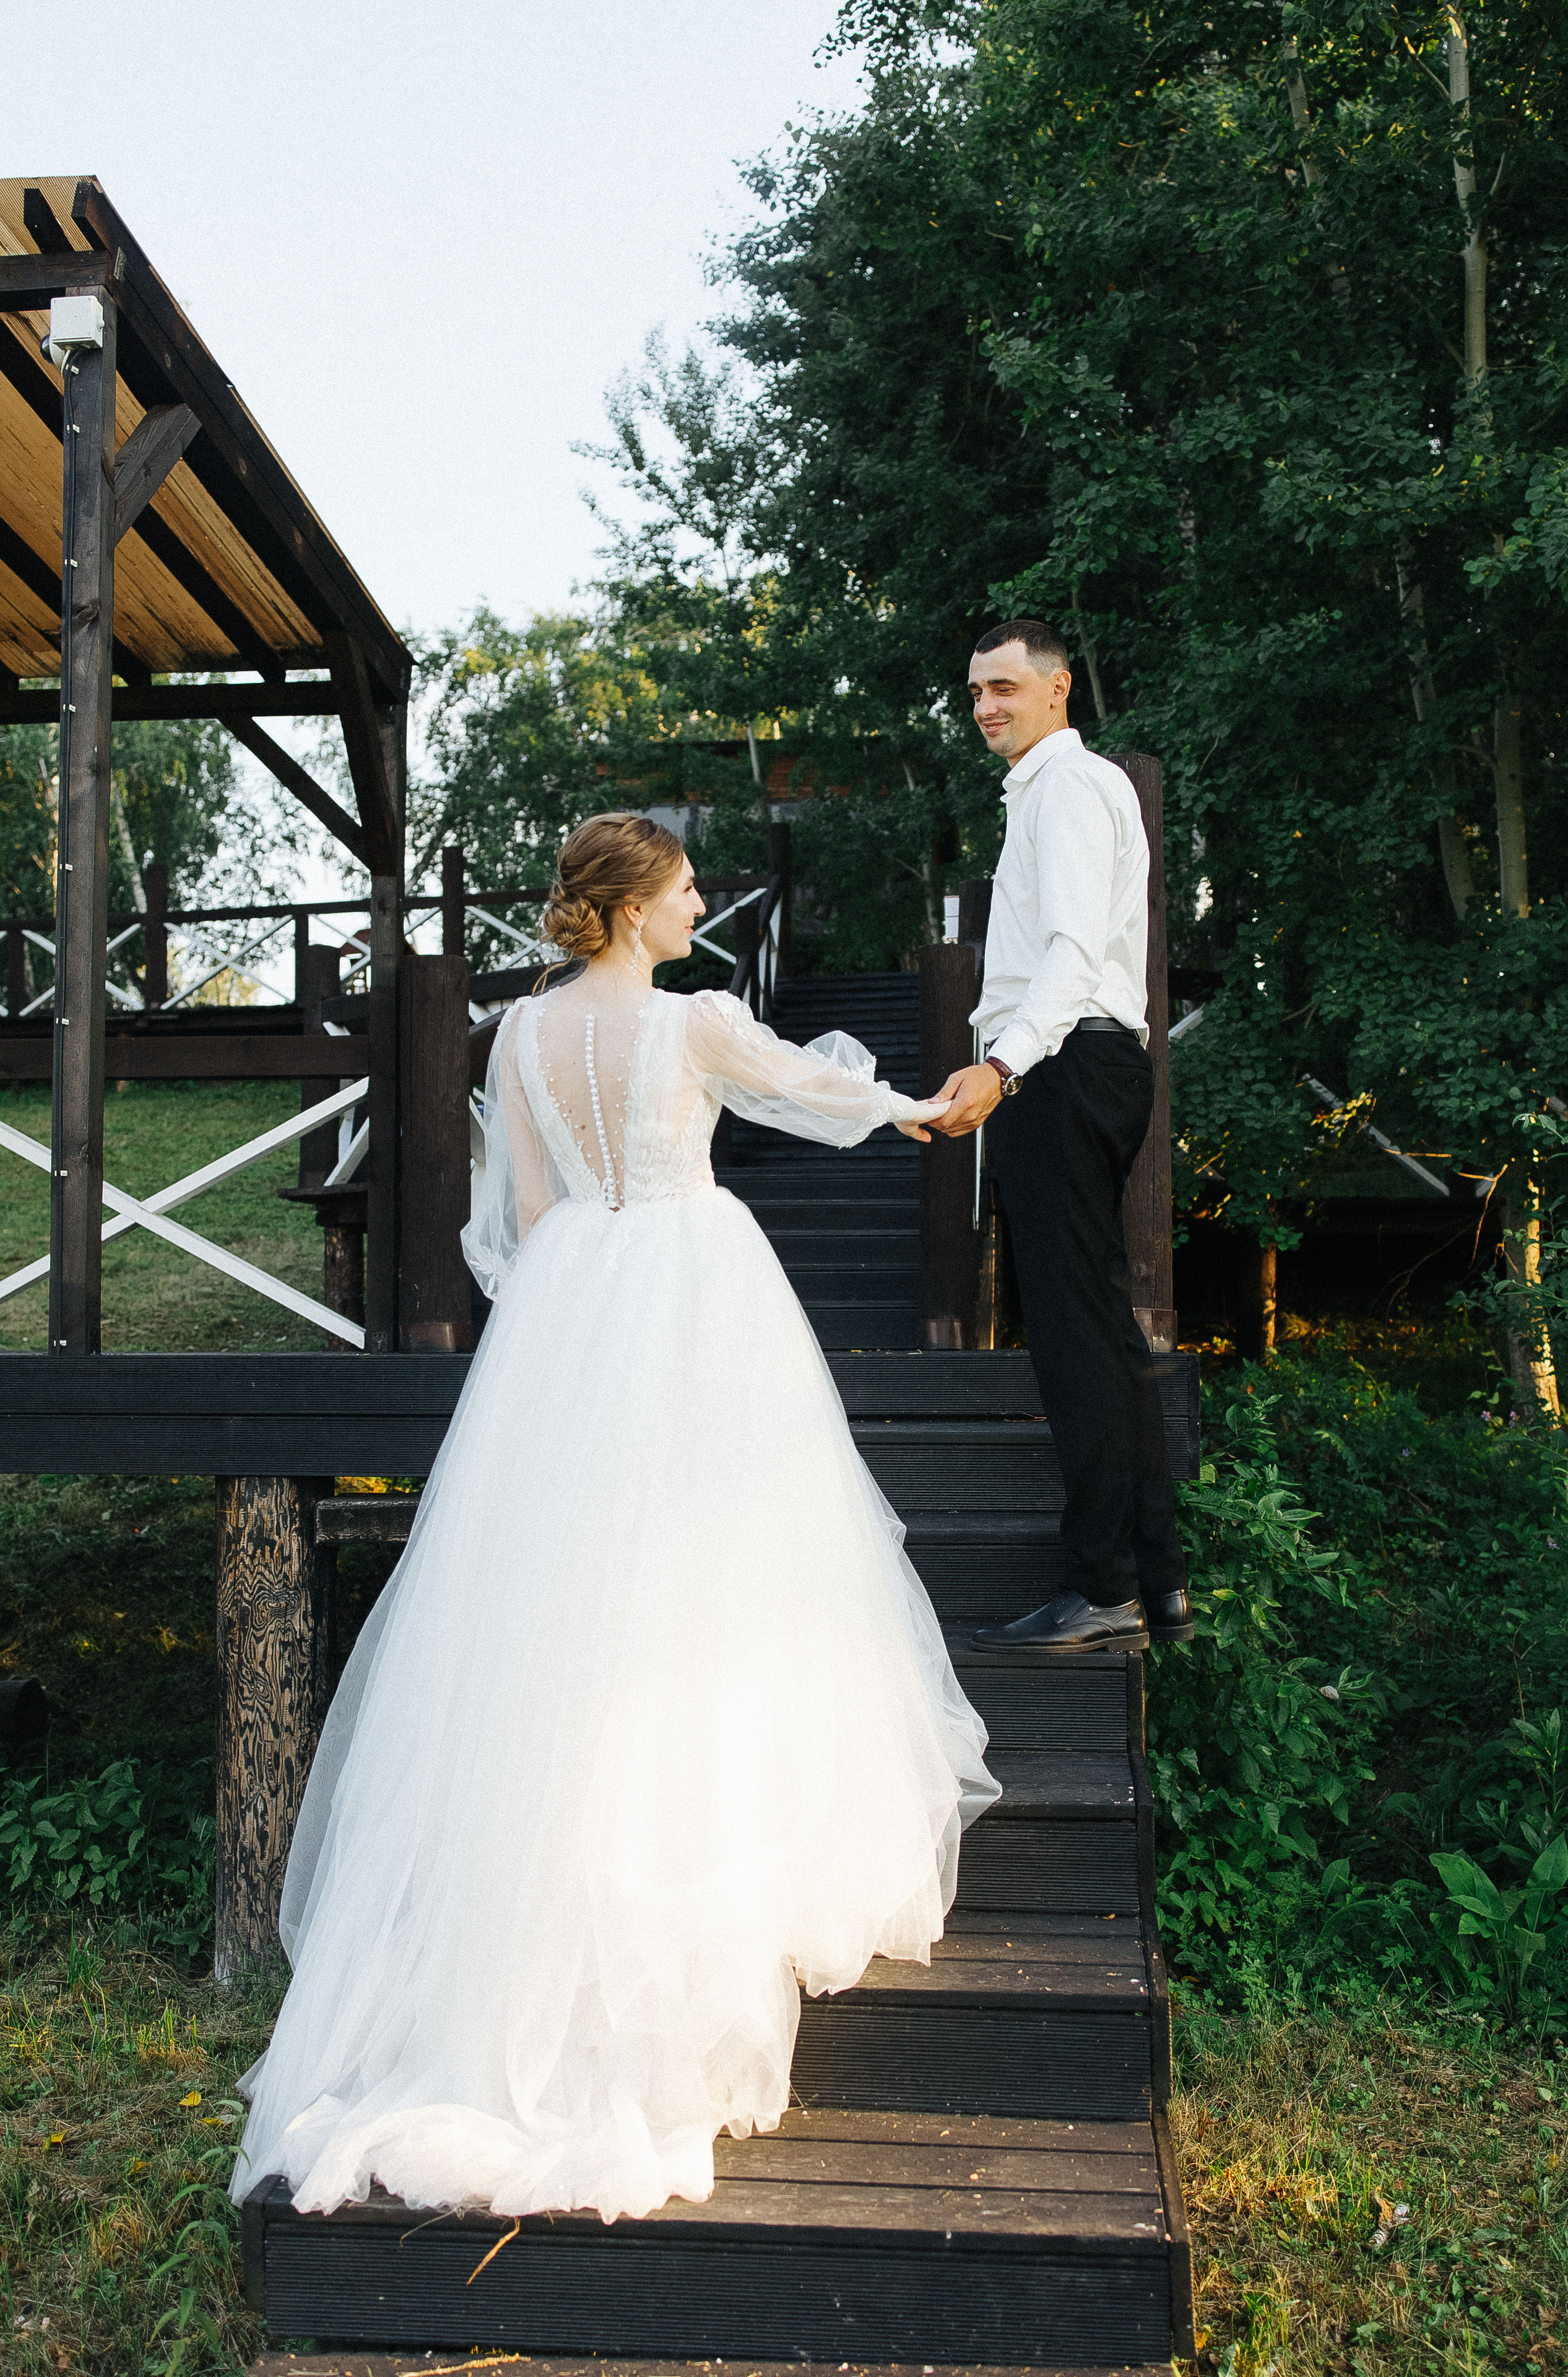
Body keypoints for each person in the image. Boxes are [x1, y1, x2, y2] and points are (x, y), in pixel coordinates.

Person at [230, 812, 997, 2227]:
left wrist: (567, 1336)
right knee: (721, 1563)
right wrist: (920, 1108)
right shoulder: (692, 1022)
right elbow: (804, 1094)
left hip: (571, 1297)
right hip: (693, 1285)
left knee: (553, 1594)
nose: (701, 902)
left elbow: (516, 1217)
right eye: (686, 886)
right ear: (636, 907)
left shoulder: (517, 1040)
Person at [927, 620, 1191, 1653]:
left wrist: (1004, 1065)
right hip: (1079, 1061)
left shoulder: (1071, 790)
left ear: (1057, 688)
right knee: (1099, 1327)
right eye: (976, 690)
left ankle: (1105, 1585)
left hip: (1065, 1062)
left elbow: (1076, 952)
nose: (987, 705)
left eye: (1005, 686)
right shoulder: (1044, 792)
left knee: (1076, 1335)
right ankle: (1153, 1581)